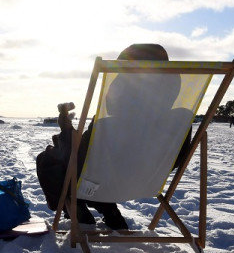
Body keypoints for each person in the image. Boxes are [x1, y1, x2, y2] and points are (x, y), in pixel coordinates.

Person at [37, 43, 191, 230]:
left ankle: (78, 206)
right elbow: (178, 160)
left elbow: (78, 158)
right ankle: (107, 209)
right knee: (82, 162)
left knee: (49, 160)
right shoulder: (180, 120)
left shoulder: (108, 127)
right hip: (149, 181)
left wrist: (66, 132)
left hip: (105, 178)